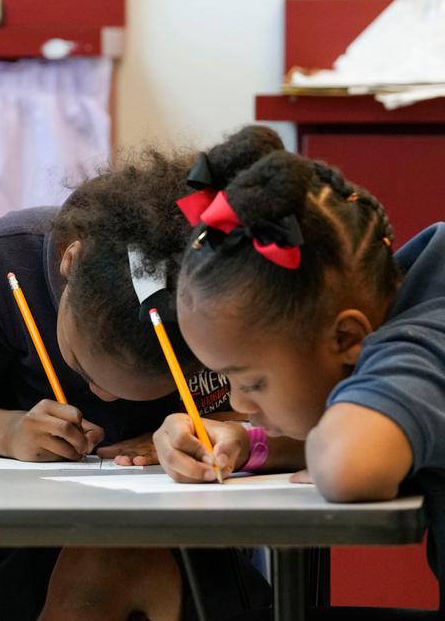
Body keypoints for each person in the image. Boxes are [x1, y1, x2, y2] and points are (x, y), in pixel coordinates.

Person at [0, 128, 292, 621]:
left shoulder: (224, 298)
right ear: (70, 260)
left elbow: (295, 425)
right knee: (99, 564)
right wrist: (9, 431)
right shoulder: (5, 259)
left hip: (196, 543)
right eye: (80, 366)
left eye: (141, 395)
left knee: (117, 557)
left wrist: (222, 430)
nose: (101, 397)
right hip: (29, 545)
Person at [153, 135, 444, 618]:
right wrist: (252, 444)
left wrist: (335, 442)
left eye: (252, 382)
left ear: (348, 339)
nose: (242, 404)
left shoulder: (417, 343)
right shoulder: (421, 287)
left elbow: (350, 465)